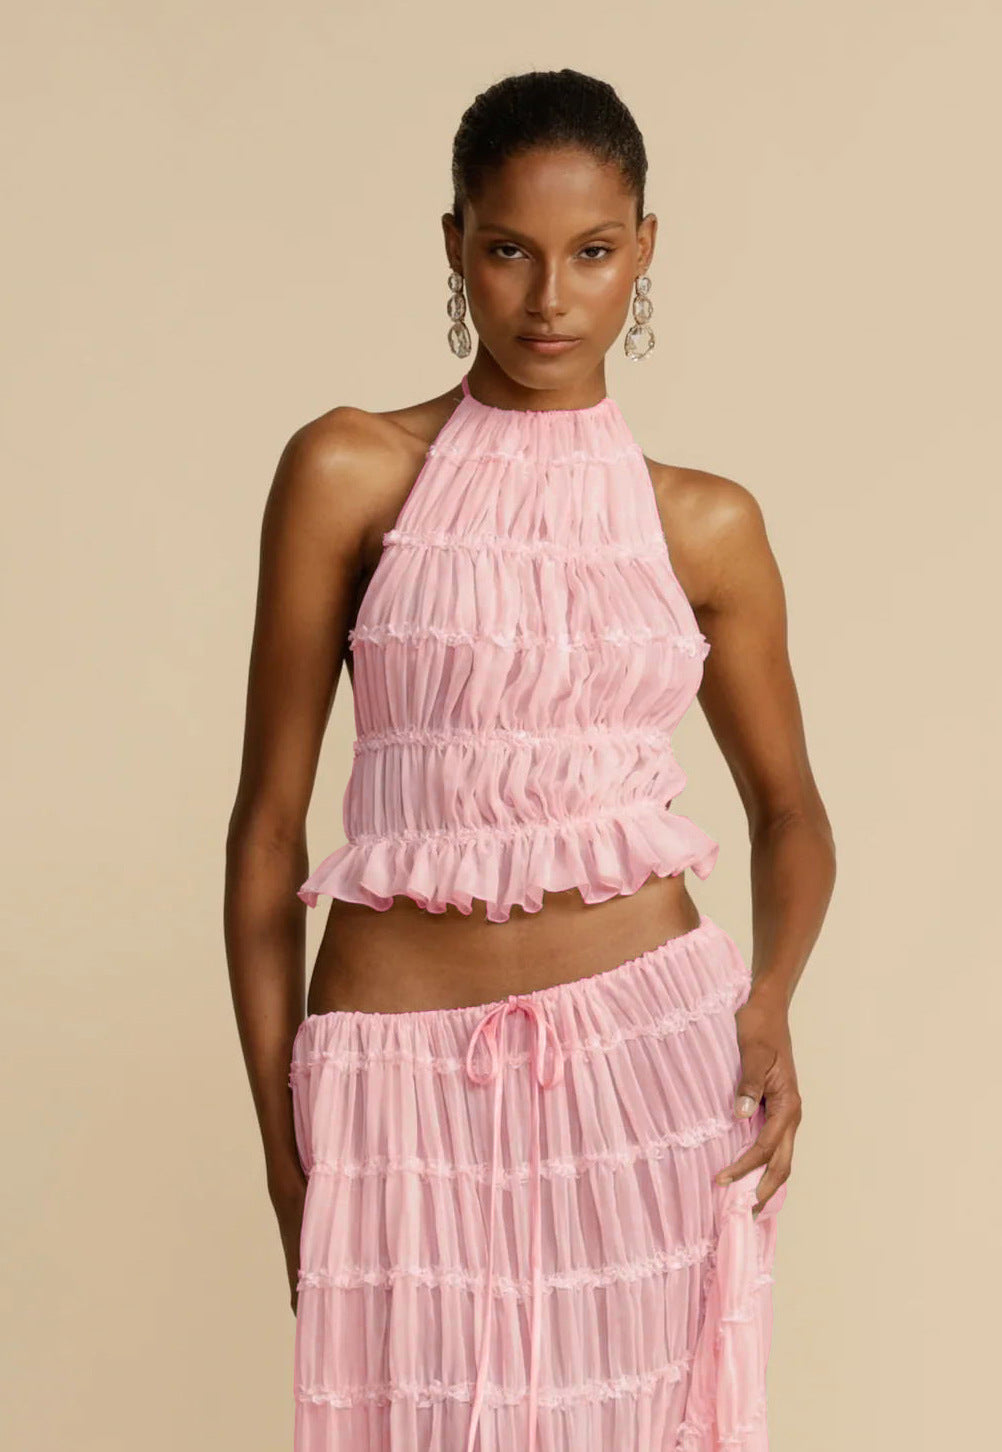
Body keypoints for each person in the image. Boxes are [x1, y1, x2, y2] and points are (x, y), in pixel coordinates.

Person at [224, 67, 835, 1452]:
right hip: (393, 1081)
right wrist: (277, 1138)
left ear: (644, 250)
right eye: (509, 250)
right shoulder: (346, 471)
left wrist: (771, 1005)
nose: (549, 298)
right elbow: (266, 828)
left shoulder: (705, 526)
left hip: (653, 1072)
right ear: (454, 245)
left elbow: (792, 812)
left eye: (592, 252)